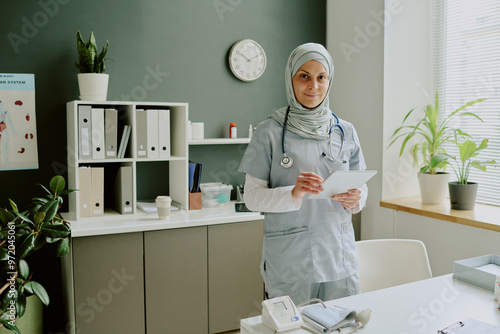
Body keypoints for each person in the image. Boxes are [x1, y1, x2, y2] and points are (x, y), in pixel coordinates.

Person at [238, 43, 368, 305]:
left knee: (344, 325)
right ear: (291, 79)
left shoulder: (346, 130)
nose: (314, 86)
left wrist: (358, 199)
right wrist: (293, 193)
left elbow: (361, 185)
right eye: (304, 76)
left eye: (321, 77)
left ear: (329, 81)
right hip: (291, 261)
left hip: (339, 258)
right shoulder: (269, 131)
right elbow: (251, 197)